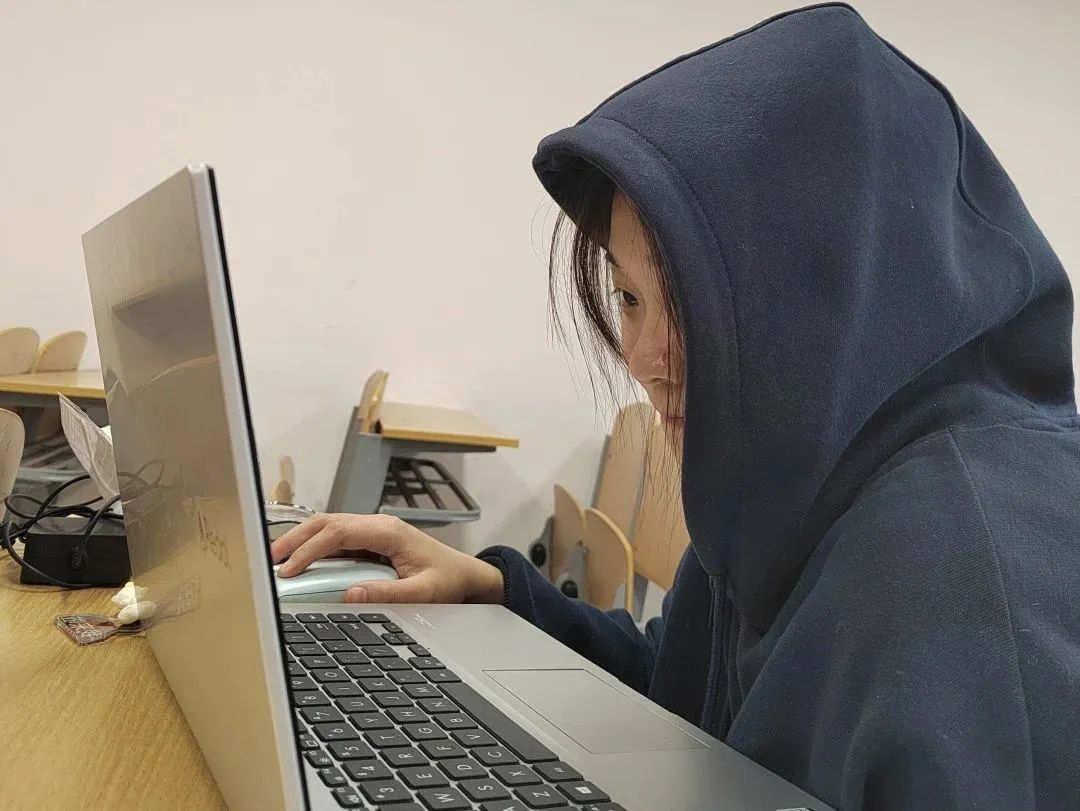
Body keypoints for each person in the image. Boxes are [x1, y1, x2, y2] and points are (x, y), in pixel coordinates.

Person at [272, 4, 1080, 807]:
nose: (644, 361)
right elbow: (685, 698)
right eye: (629, 297)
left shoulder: (970, 599)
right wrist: (495, 595)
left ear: (837, 300)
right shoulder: (796, 467)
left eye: (694, 305)